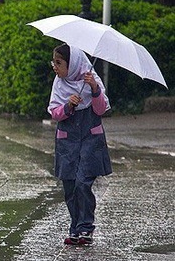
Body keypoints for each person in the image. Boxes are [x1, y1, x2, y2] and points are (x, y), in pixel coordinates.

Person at [48, 44, 112, 245]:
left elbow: (101, 109)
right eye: (54, 62)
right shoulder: (59, 83)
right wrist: (68, 106)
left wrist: (94, 89)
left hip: (90, 139)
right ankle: (75, 226)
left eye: (59, 63)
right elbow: (54, 112)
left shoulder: (91, 79)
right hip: (68, 141)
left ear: (73, 64)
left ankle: (86, 227)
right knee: (69, 185)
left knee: (82, 183)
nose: (55, 67)